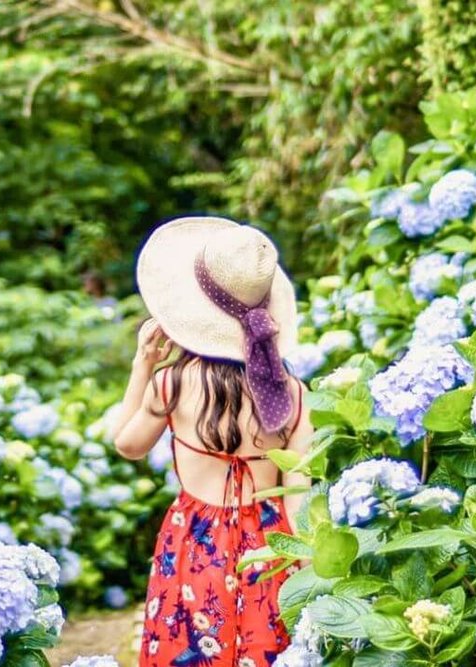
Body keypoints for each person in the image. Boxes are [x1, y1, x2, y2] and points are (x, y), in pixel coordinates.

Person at [111, 216, 312, 666]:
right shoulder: (293, 394)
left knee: (190, 649)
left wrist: (142, 365)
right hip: (272, 544)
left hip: (193, 542)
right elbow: (299, 495)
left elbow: (128, 444)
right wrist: (307, 573)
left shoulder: (173, 384)